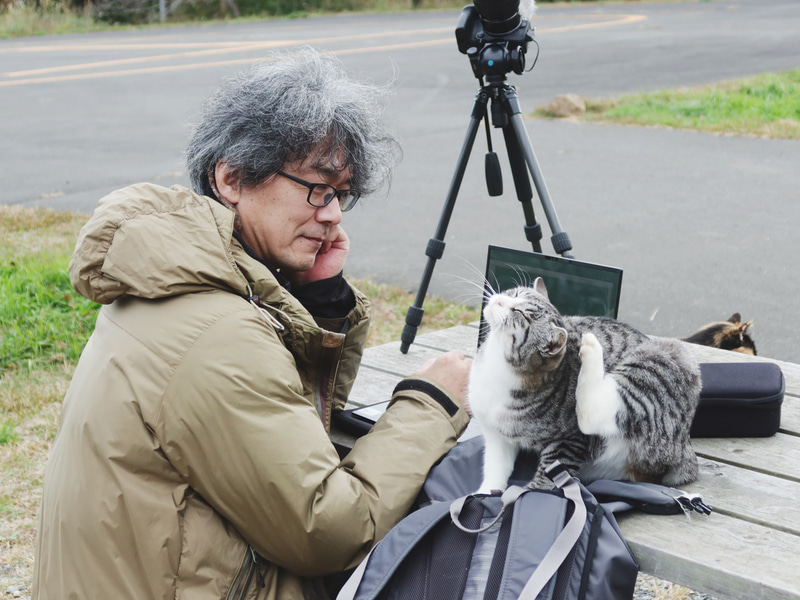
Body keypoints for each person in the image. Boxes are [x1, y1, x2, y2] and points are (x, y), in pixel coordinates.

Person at [32, 47, 472, 600]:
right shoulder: (216, 331)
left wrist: (318, 296)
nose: (333, 213)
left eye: (341, 195)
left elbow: (289, 432)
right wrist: (430, 402)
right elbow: (328, 529)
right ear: (233, 178)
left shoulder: (171, 276)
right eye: (316, 187)